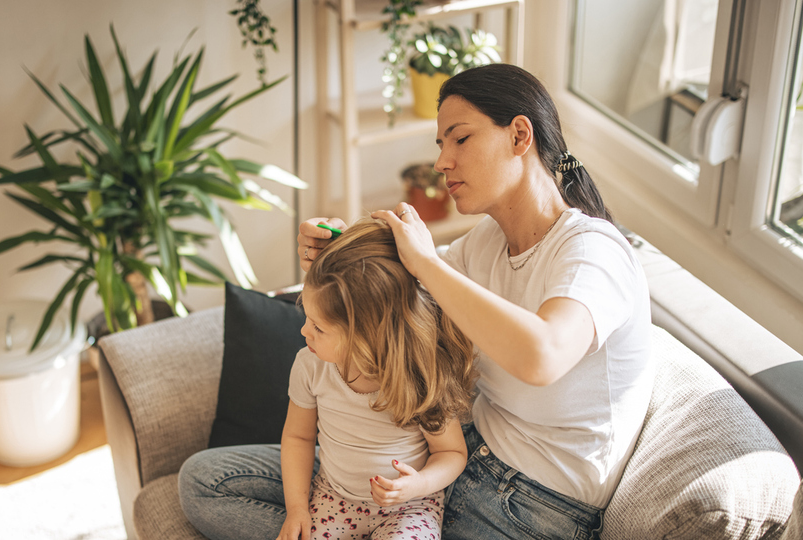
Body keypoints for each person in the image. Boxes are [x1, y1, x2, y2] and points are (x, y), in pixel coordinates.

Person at [180, 63, 653, 540]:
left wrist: (428, 264)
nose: (443, 161)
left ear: (519, 135)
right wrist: (338, 250)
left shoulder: (595, 251)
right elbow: (394, 291)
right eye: (440, 145)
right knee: (205, 482)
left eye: (459, 139)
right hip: (442, 457)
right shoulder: (485, 242)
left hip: (526, 503)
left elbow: (542, 356)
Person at [278, 219, 476, 540]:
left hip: (408, 507)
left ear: (366, 337)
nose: (304, 332)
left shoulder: (418, 375)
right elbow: (298, 438)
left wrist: (417, 484)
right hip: (333, 496)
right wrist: (297, 509)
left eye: (319, 327)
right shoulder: (309, 365)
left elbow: (451, 453)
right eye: (307, 319)